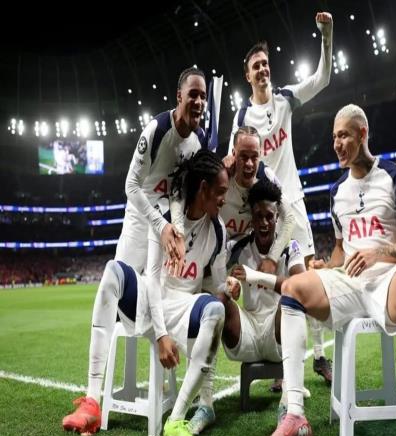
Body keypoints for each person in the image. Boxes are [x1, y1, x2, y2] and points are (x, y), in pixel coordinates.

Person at [268, 104, 396, 436]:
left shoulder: (395, 175)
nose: (337, 144)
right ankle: (295, 415)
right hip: (347, 280)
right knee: (292, 288)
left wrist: (378, 253)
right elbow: (341, 249)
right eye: (334, 137)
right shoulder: (337, 192)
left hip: (388, 278)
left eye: (343, 135)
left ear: (363, 134)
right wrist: (327, 265)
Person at [61, 150, 230, 436]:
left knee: (217, 309)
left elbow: (217, 285)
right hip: (150, 299)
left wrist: (229, 288)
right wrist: (161, 335)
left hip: (183, 307)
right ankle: (92, 402)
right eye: (221, 192)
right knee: (113, 271)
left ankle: (175, 421)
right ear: (203, 189)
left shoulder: (218, 230)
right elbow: (151, 277)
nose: (224, 199)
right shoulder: (165, 217)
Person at [225, 12, 334, 380]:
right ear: (248, 75)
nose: (263, 69)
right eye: (256, 66)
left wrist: (326, 35)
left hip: (293, 204)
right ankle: (280, 364)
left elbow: (322, 79)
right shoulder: (242, 115)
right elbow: (232, 160)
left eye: (265, 63)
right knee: (267, 278)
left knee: (306, 274)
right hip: (261, 210)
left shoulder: (286, 99)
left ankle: (319, 355)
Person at [222, 178, 306, 422]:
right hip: (247, 332)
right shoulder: (238, 248)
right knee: (217, 303)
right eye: (258, 216)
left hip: (279, 335)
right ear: (251, 217)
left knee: (291, 296)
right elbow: (220, 280)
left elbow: (301, 286)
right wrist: (230, 286)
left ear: (277, 216)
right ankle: (205, 403)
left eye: (269, 216)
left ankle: (288, 402)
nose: (264, 222)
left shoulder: (290, 247)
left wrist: (258, 277)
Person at [116, 66, 207, 276]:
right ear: (179, 96)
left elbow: (181, 190)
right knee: (122, 283)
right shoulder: (157, 130)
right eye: (193, 94)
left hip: (170, 225)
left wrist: (177, 229)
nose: (199, 102)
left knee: (157, 291)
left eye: (203, 96)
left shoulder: (200, 140)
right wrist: (160, 224)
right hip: (141, 221)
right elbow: (131, 185)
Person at [220, 125, 295, 272]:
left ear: (260, 155)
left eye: (254, 157)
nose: (249, 164)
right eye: (243, 156)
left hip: (245, 256)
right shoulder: (222, 175)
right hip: (217, 252)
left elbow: (289, 217)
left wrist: (272, 258)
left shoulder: (266, 177)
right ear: (233, 154)